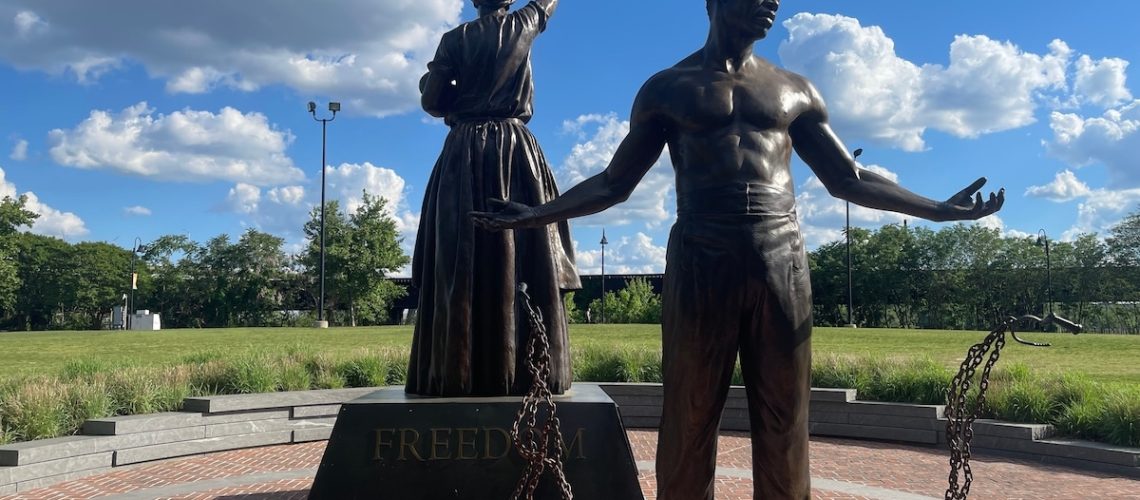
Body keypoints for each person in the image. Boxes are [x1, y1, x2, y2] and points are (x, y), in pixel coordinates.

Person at [471, 0, 1005, 497]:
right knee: (690, 409)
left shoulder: (796, 89)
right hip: (702, 253)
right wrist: (538, 214)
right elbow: (614, 182)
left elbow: (850, 177)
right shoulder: (668, 88)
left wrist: (936, 208)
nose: (771, 3)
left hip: (782, 257)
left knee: (785, 412)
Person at [407, 0, 579, 398]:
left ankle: (455, 373)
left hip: (463, 153)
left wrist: (445, 88)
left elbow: (432, 102)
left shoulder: (455, 39)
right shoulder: (525, 22)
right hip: (516, 152)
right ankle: (531, 371)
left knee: (458, 259)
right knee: (526, 254)